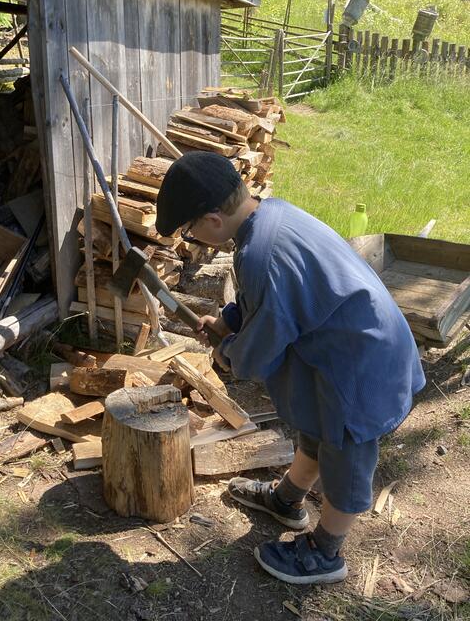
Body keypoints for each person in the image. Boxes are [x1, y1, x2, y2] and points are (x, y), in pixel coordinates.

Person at [155, 151, 425, 585]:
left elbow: (264, 343)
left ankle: (326, 553)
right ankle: (287, 500)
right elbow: (271, 298)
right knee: (317, 429)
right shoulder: (270, 218)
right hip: (348, 348)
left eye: (189, 230)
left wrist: (229, 354)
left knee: (346, 456)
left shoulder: (259, 254)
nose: (193, 239)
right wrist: (229, 320)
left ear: (211, 219)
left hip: (362, 366)